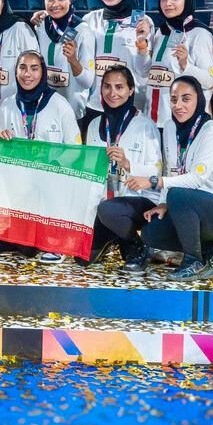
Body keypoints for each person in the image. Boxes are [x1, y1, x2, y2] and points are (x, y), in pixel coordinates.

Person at [135, 77, 213, 280]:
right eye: (174, 99)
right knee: (152, 232)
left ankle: (194, 261)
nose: (178, 105)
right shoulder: (170, 127)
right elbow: (172, 170)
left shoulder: (211, 131)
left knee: (178, 195)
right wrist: (163, 203)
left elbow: (197, 179)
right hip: (194, 207)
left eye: (186, 99)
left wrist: (155, 181)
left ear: (199, 100)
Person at [0, 50, 82, 263]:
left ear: (43, 72)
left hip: (54, 181)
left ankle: (57, 242)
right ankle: (20, 232)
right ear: (16, 71)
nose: (28, 74)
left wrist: (54, 165)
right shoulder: (6, 105)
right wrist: (0, 138)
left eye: (34, 69)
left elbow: (75, 149)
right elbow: (5, 149)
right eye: (23, 68)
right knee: (25, 249)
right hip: (22, 183)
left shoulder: (60, 105)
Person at [82, 66, 163, 272]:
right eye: (107, 87)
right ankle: (114, 235)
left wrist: (129, 164)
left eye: (119, 87)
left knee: (108, 209)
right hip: (104, 202)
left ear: (131, 90)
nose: (112, 93)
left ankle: (137, 245)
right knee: (83, 259)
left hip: (140, 200)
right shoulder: (94, 125)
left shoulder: (145, 126)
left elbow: (157, 173)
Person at [78, 0, 154, 131]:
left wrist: (142, 46)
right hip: (94, 105)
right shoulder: (90, 19)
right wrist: (45, 17)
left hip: (130, 106)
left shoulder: (142, 21)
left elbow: (144, 71)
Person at [138, 0, 213, 127]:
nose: (167, 3)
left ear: (187, 0)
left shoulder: (200, 34)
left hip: (183, 124)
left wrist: (186, 66)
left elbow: (209, 81)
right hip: (152, 122)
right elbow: (145, 72)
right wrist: (142, 47)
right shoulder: (160, 32)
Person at [33, 0, 94, 121]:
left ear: (70, 0)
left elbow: (87, 82)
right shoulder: (40, 25)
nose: (55, 4)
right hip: (45, 111)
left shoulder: (83, 31)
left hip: (73, 114)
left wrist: (73, 61)